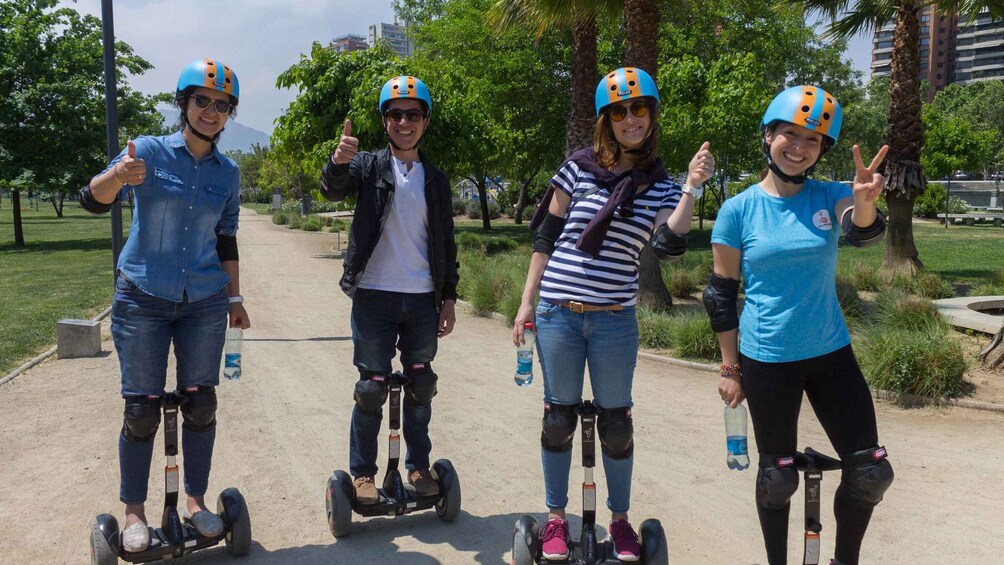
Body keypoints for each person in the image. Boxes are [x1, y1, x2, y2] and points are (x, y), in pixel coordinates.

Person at [513, 67, 714, 562]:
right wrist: (525, 303)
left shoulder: (662, 187)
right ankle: (556, 518)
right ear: (607, 119)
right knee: (557, 420)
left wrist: (691, 187)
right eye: (620, 111)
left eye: (640, 109)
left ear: (651, 117)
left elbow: (669, 243)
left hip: (613, 320)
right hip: (559, 311)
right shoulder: (578, 168)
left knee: (616, 424)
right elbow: (545, 238)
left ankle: (620, 522)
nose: (631, 119)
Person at [704, 85, 894, 565]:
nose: (798, 146)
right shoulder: (738, 209)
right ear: (768, 137)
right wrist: (730, 368)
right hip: (768, 360)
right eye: (789, 134)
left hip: (831, 354)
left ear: (822, 150)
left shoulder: (832, 195)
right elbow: (721, 295)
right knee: (778, 479)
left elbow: (862, 230)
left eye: (812, 140)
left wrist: (867, 199)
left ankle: (843, 561)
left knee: (870, 473)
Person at [80, 59, 250, 553]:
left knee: (201, 404)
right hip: (142, 299)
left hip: (204, 302)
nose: (211, 112)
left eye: (222, 106)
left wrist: (235, 298)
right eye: (202, 101)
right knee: (141, 411)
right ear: (185, 104)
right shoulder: (148, 152)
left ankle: (195, 502)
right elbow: (92, 199)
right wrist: (119, 174)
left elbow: (227, 237)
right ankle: (134, 513)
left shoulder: (229, 172)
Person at [319, 75, 459, 505]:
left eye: (412, 114)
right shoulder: (368, 166)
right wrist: (338, 161)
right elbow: (331, 189)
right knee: (371, 389)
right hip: (374, 295)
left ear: (426, 121)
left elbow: (447, 242)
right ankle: (362, 474)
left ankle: (418, 467)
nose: (403, 122)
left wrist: (449, 297)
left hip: (421, 298)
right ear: (385, 122)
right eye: (395, 114)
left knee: (421, 387)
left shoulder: (435, 179)